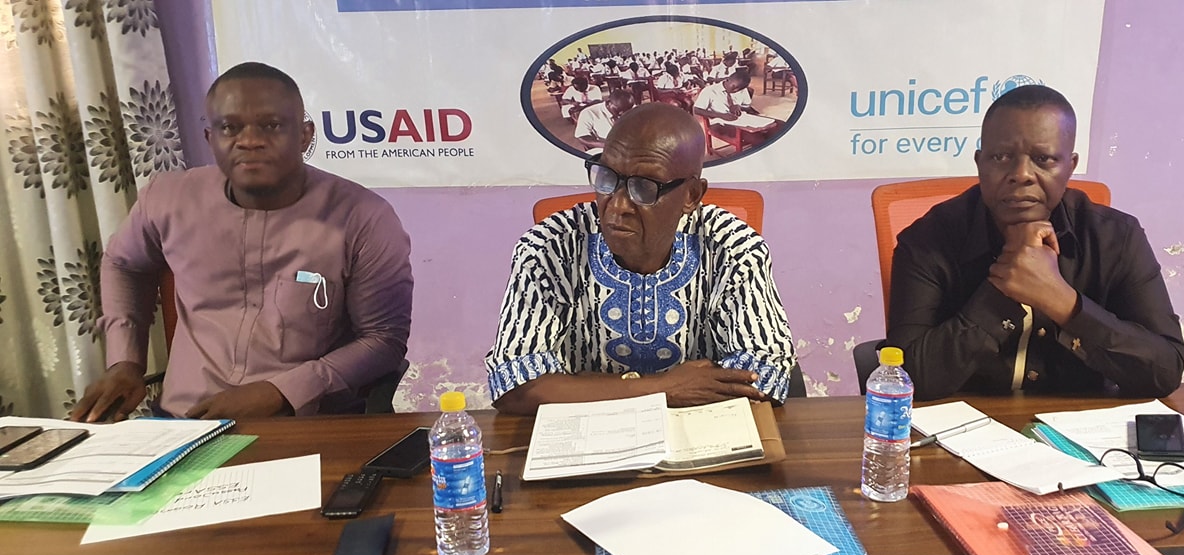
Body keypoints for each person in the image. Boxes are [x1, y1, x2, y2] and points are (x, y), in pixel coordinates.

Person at [72, 62, 413, 421]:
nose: (249, 141)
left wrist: (282, 391)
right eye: (230, 128)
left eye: (271, 126)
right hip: (185, 422)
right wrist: (125, 360)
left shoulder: (364, 218)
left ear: (305, 135)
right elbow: (123, 263)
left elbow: (383, 340)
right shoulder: (168, 198)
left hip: (305, 424)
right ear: (210, 139)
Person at [486, 103, 796, 415]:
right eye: (606, 177)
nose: (617, 206)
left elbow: (765, 376)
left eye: (644, 187)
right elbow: (514, 386)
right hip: (585, 435)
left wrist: (580, 385)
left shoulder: (734, 248)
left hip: (698, 432)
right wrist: (665, 389)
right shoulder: (549, 247)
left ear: (691, 195)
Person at [886, 85, 1184, 400]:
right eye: (1000, 157)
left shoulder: (1117, 238)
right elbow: (905, 377)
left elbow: (1165, 370)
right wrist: (1001, 292)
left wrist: (1061, 301)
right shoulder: (928, 239)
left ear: (1070, 166)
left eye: (1043, 159)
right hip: (966, 424)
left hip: (1080, 424)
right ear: (979, 163)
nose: (1022, 174)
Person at [693, 70, 758, 122]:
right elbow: (697, 110)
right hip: (719, 122)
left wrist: (739, 107)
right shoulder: (710, 90)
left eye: (740, 89)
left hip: (739, 120)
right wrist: (721, 115)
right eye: (734, 86)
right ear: (727, 80)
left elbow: (748, 107)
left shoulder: (743, 91)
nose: (736, 90)